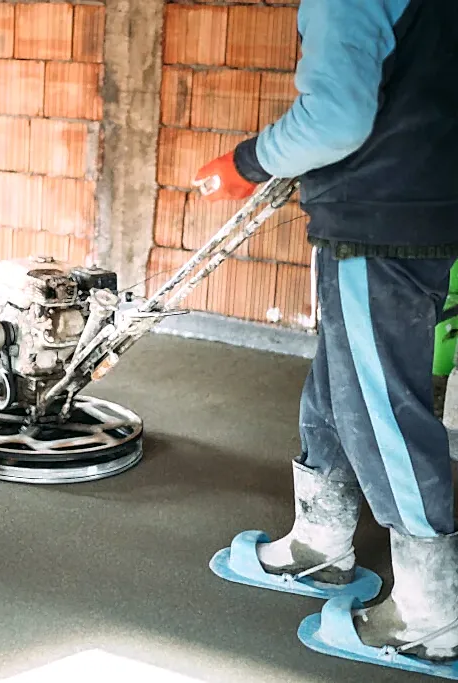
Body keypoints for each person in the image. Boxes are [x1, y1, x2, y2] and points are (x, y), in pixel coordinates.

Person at [195, 0, 458, 673]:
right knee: (342, 381)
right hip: (415, 204)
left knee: (381, 408)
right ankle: (320, 539)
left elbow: (336, 120)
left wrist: (246, 161)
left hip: (380, 218)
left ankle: (433, 615)